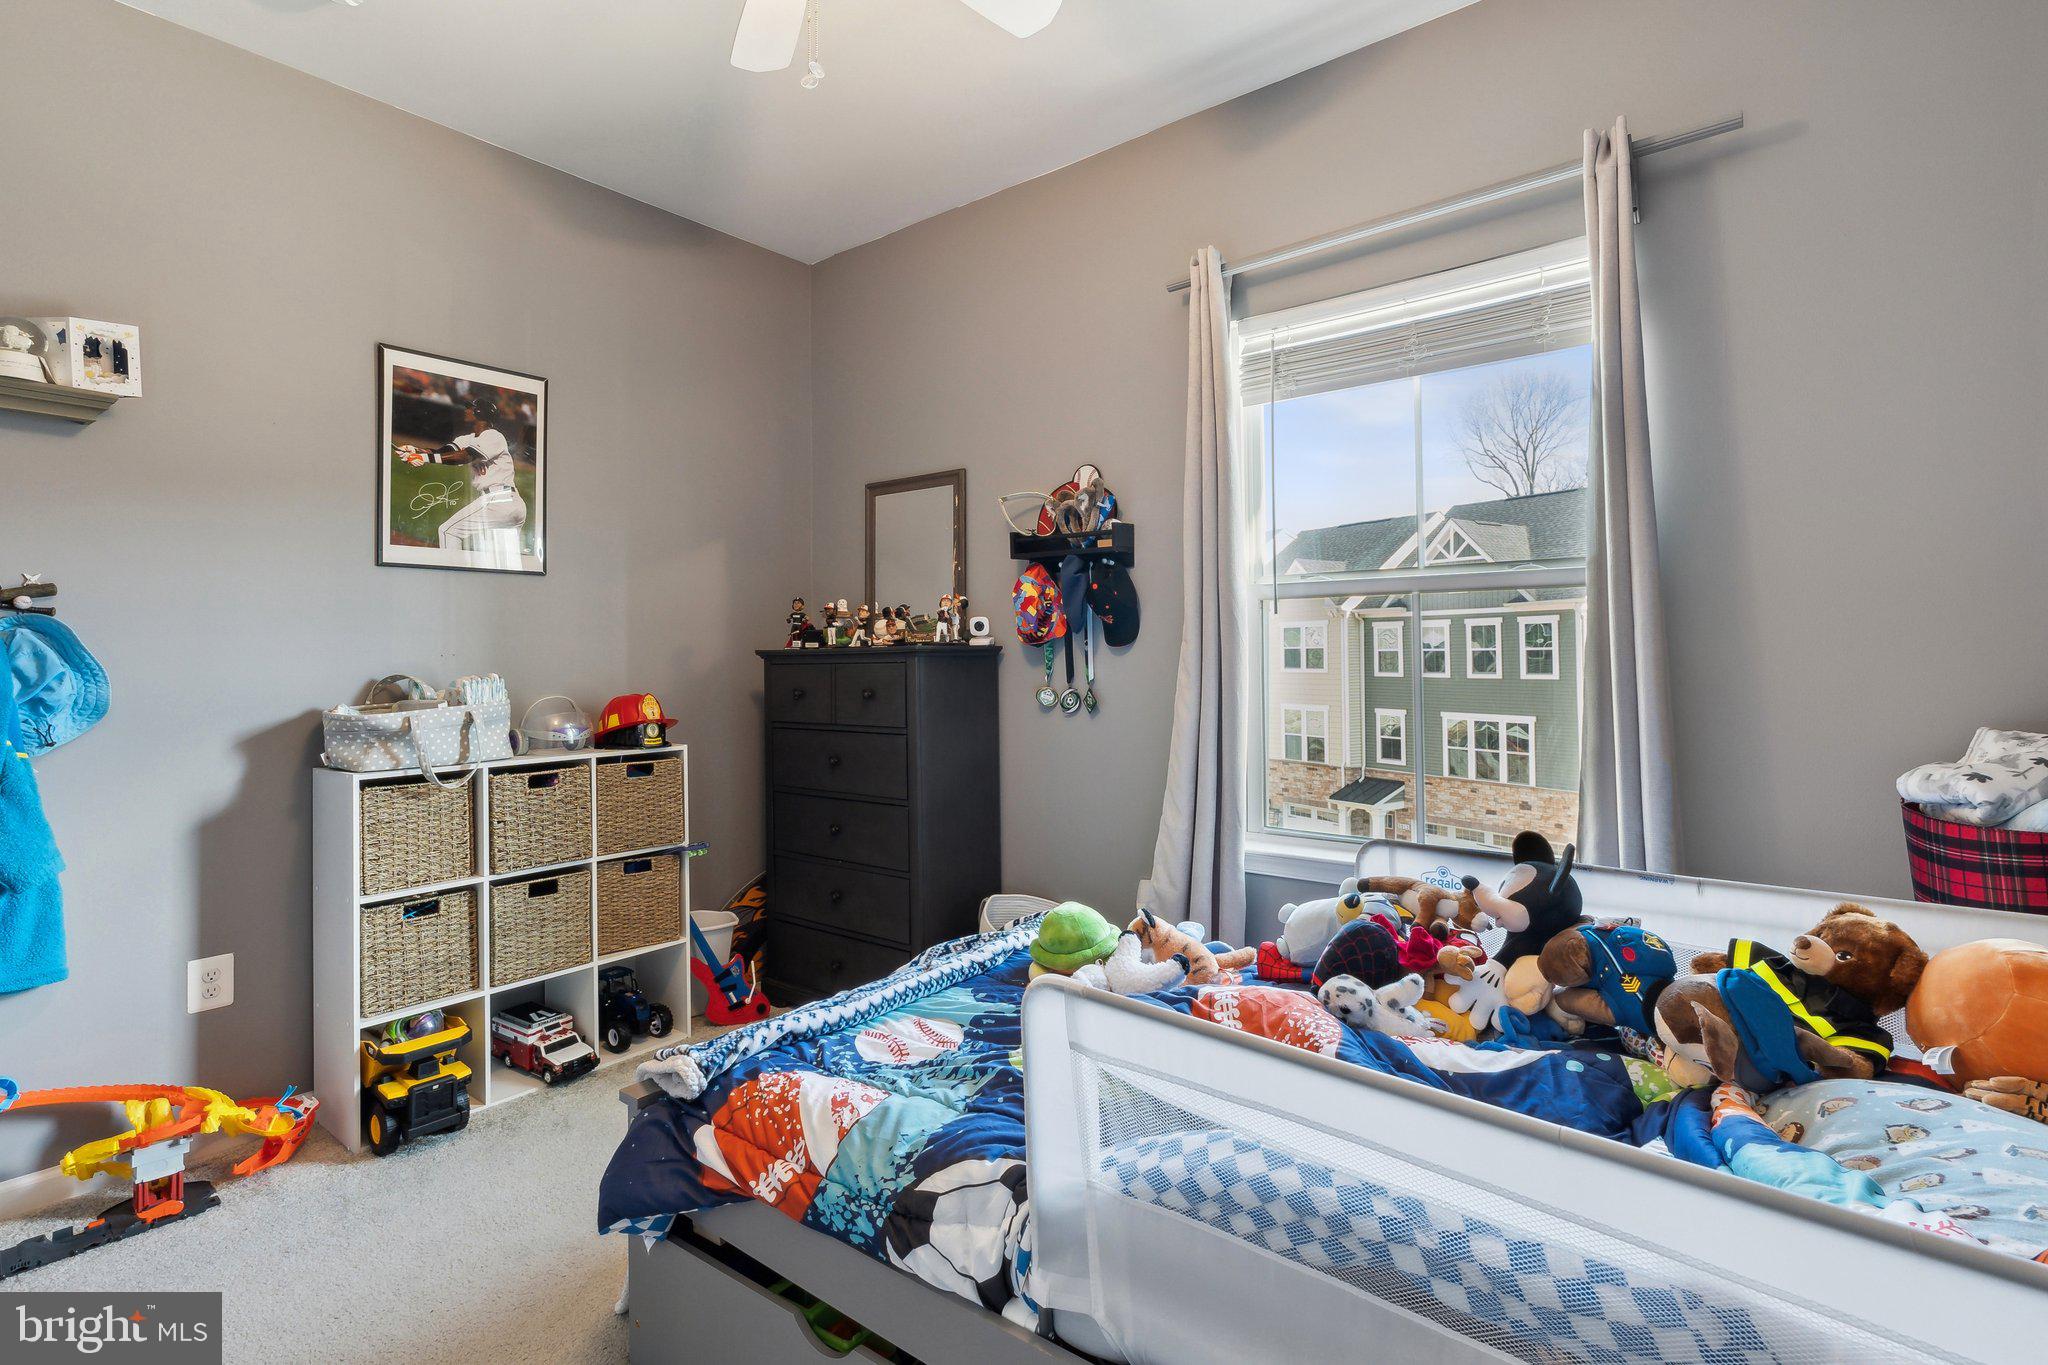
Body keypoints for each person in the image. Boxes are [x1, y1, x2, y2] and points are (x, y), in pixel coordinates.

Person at [403, 395, 526, 559]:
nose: (467, 410)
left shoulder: (493, 436)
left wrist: (424, 459)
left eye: (471, 407)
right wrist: (415, 451)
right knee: (500, 559)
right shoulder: (467, 439)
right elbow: (442, 453)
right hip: (509, 504)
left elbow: (465, 457)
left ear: (479, 412)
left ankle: (452, 577)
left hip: (498, 501)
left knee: (448, 532)